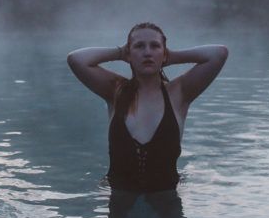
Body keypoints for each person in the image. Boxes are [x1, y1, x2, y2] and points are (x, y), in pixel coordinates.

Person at [66, 22, 228, 192]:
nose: (147, 52)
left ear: (163, 52)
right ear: (129, 54)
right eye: (139, 46)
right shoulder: (116, 91)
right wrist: (121, 52)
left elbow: (219, 53)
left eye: (155, 46)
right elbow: (76, 59)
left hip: (166, 204)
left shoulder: (178, 93)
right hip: (121, 203)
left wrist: (170, 56)